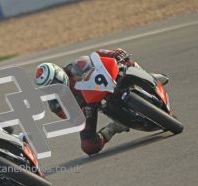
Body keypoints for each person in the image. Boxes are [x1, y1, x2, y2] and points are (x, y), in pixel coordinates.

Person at [34, 48, 169, 155]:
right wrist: (80, 111)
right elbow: (73, 119)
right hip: (90, 106)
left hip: (105, 85)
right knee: (89, 147)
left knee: (124, 62)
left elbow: (97, 56)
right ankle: (112, 129)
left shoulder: (74, 67)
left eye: (56, 82)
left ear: (59, 72)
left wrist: (114, 54)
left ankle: (148, 77)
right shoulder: (56, 103)